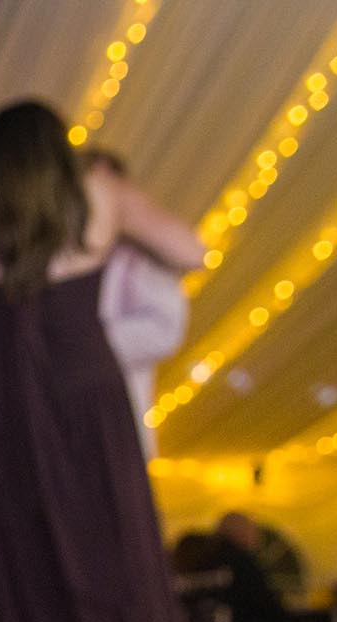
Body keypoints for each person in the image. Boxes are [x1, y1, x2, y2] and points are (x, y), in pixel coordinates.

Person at [0, 100, 205, 622]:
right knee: (108, 552)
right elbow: (190, 249)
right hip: (80, 387)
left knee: (7, 559)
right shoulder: (97, 192)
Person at [84, 151, 189, 460]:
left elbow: (166, 330)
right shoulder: (53, 258)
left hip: (118, 428)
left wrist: (85, 341)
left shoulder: (138, 260)